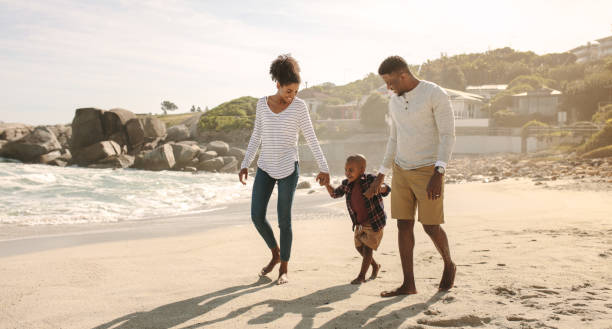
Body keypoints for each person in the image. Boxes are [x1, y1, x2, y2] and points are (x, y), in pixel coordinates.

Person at [364, 55, 457, 297]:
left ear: (403, 75)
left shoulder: (434, 94)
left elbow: (448, 134)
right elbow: (394, 138)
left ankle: (448, 262)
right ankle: (409, 284)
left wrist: (439, 171)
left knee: (431, 226)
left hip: (429, 170)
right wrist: (381, 173)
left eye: (390, 81)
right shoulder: (394, 102)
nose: (388, 87)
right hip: (401, 170)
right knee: (403, 225)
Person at [239, 54, 330, 285]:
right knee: (257, 216)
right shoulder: (262, 104)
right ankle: (275, 254)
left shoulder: (299, 107)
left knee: (284, 220)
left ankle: (284, 268)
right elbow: (256, 136)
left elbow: (311, 137)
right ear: (277, 85)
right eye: (288, 91)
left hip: (289, 167)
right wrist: (245, 163)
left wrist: (324, 167)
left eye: (296, 92)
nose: (292, 96)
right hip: (266, 167)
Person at [324, 154, 390, 285]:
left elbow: (387, 189)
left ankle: (361, 276)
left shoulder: (371, 180)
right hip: (359, 224)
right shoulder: (346, 184)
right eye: (346, 169)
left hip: (374, 223)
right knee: (359, 248)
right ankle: (375, 266)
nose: (347, 173)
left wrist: (380, 188)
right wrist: (326, 184)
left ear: (362, 169)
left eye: (351, 170)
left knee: (367, 249)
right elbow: (334, 194)